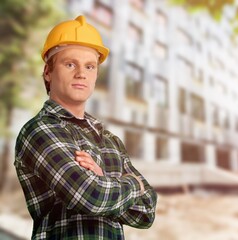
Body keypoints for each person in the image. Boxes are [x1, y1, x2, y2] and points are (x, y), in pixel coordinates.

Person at [14, 15, 157, 239]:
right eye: (70, 64)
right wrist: (134, 183)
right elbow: (90, 196)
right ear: (48, 72)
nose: (81, 73)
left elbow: (147, 212)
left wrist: (104, 181)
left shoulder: (110, 140)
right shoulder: (40, 131)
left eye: (90, 66)